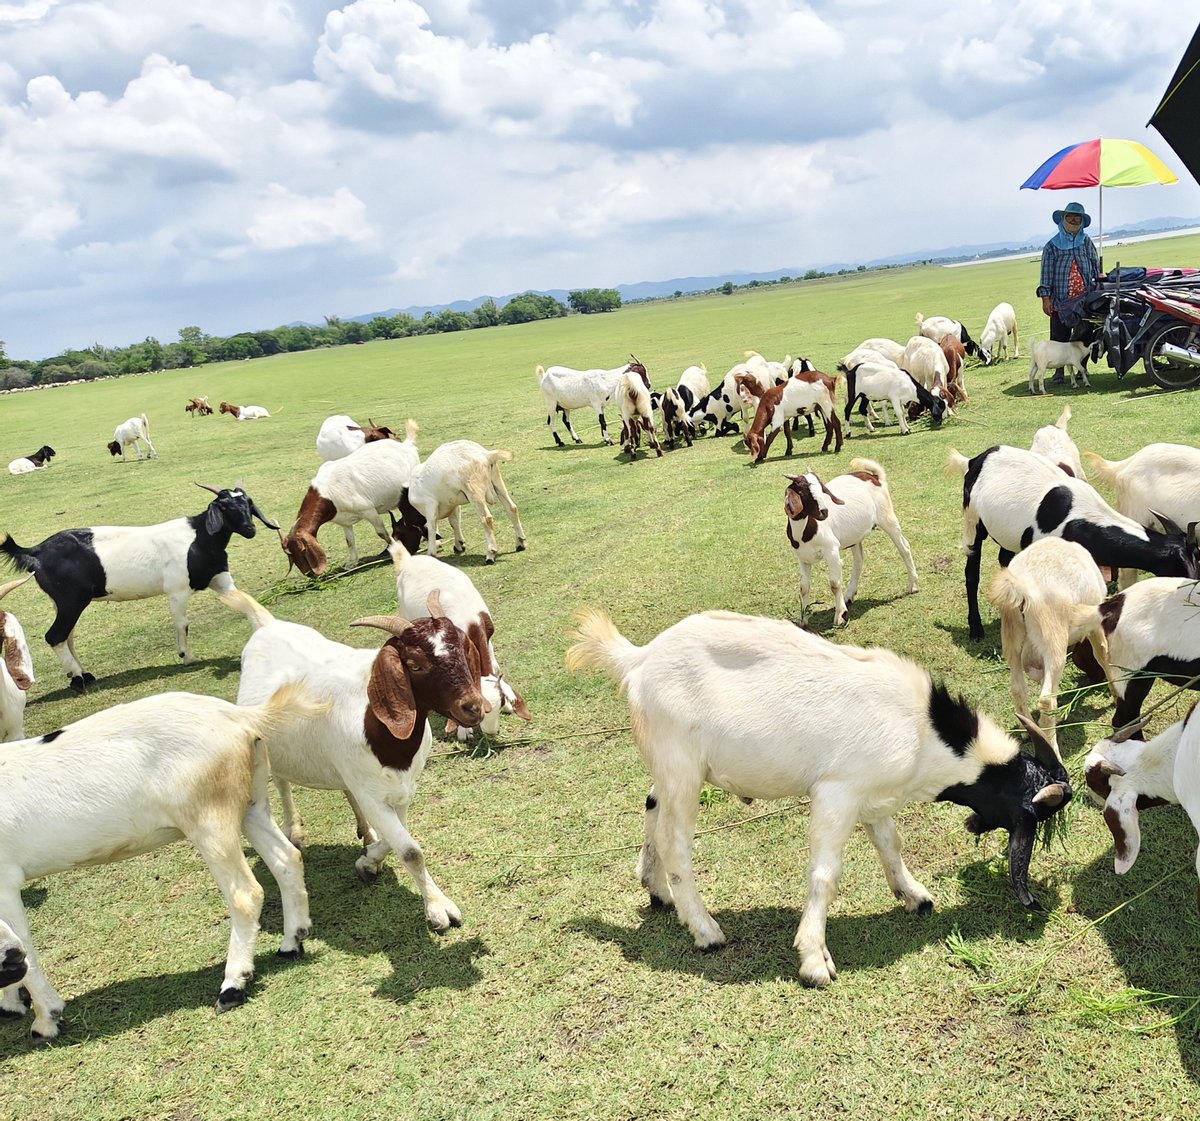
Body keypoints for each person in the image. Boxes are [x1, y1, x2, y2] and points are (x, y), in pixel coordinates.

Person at [1036, 200, 1101, 382]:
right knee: (1059, 337)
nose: (1073, 220)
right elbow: (1046, 274)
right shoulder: (1052, 246)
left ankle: (1082, 368)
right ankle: (1059, 372)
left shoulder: (1086, 242)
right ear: (1063, 219)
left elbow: (1094, 265)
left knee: (1086, 334)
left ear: (1082, 221)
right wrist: (1045, 298)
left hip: (1085, 298)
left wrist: (1099, 284)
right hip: (1060, 300)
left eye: (1077, 217)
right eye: (1069, 216)